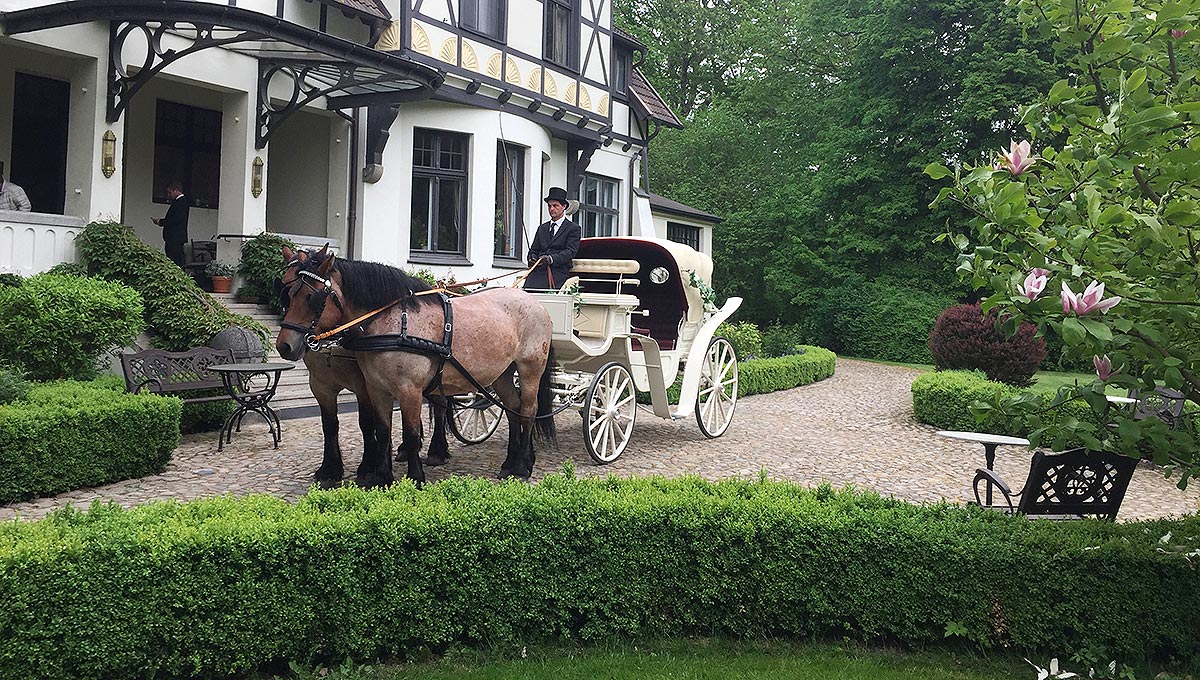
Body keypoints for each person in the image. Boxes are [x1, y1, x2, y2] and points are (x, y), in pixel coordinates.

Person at [524, 186, 581, 290]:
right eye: (549, 206)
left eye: (555, 206)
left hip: (558, 272)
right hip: (539, 271)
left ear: (564, 206)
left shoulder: (573, 228)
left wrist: (551, 259)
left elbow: (570, 252)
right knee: (527, 291)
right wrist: (532, 258)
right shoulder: (542, 228)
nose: (551, 209)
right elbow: (534, 249)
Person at [152, 182, 190, 266]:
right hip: (174, 238)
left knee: (175, 261)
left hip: (175, 238)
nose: (169, 195)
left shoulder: (181, 202)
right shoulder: (179, 202)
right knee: (173, 259)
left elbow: (175, 219)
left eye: (170, 192)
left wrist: (161, 222)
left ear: (176, 190)